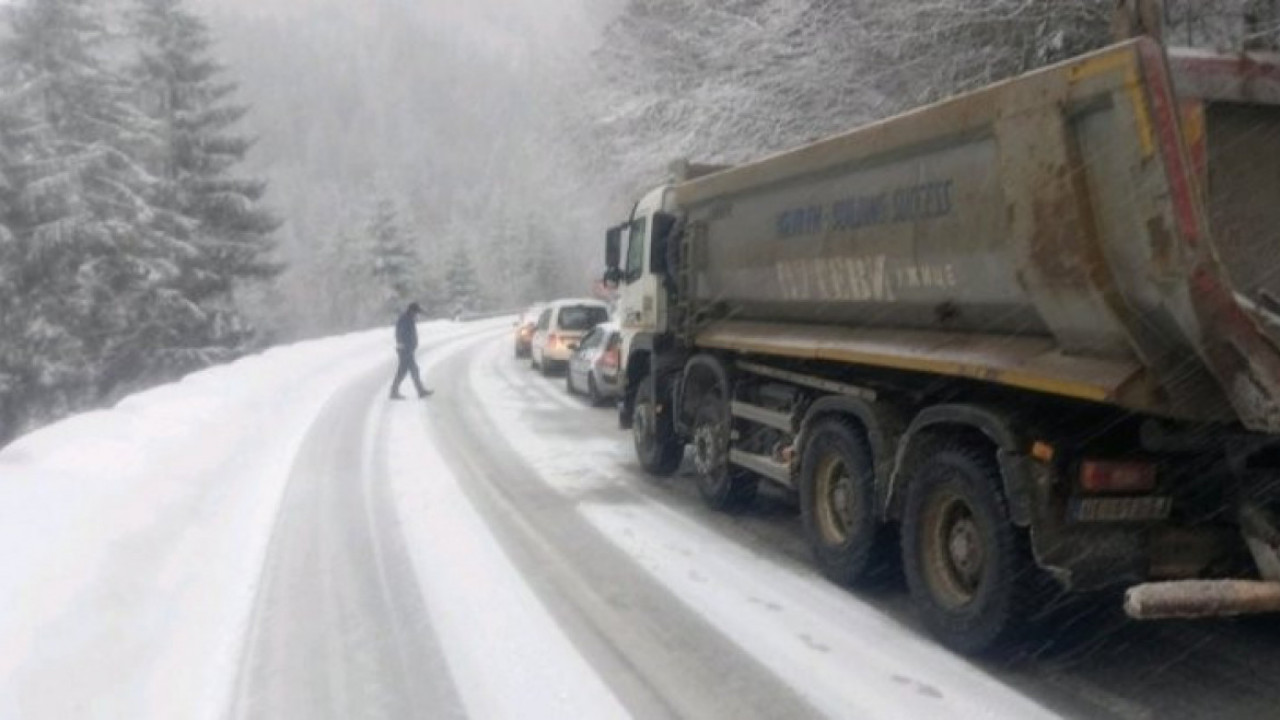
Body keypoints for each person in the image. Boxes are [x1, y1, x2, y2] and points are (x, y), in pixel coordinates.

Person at [390, 302, 431, 399]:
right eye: (417, 313)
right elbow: (401, 333)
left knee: (405, 371)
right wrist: (406, 345)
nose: (417, 315)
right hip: (405, 349)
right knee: (412, 370)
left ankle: (394, 391)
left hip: (406, 349)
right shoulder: (405, 319)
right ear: (412, 311)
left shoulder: (408, 318)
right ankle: (420, 391)